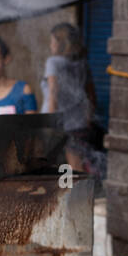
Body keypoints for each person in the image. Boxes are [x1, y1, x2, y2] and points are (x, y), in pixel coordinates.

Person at [43, 22, 101, 175]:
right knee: (76, 163)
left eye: (52, 41)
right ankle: (80, 194)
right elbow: (91, 95)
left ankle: (78, 197)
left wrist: (50, 122)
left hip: (62, 123)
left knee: (70, 165)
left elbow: (53, 92)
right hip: (79, 124)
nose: (50, 45)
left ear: (60, 43)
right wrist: (87, 119)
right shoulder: (82, 64)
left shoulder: (53, 62)